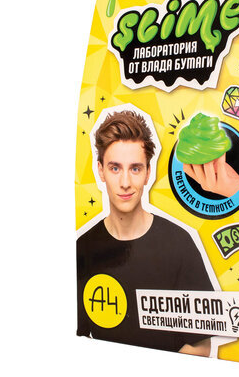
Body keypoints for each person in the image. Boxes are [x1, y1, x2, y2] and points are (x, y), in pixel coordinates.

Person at [77, 111, 213, 356]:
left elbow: (200, 344)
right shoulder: (82, 249)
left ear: (148, 172)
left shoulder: (180, 244)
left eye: (135, 168)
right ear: (100, 170)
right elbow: (78, 338)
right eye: (115, 168)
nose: (125, 182)